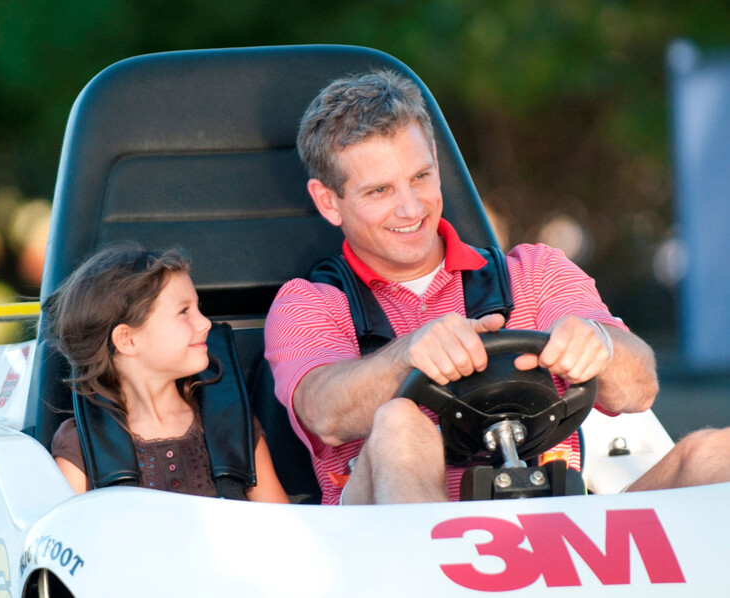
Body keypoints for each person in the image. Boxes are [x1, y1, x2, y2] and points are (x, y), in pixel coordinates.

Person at [264, 69, 730, 505]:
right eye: (380, 191)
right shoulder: (311, 302)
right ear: (329, 201)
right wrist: (408, 354)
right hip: (388, 545)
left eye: (421, 178)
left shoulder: (534, 271)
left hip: (552, 529)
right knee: (400, 422)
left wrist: (601, 346)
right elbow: (322, 412)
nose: (411, 209)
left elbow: (640, 389)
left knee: (714, 452)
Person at [47, 242, 288, 503]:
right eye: (184, 312)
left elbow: (282, 529)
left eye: (198, 308)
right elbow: (63, 535)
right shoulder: (82, 446)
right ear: (127, 340)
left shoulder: (232, 424)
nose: (206, 323)